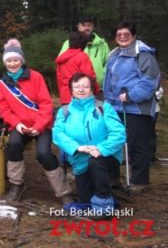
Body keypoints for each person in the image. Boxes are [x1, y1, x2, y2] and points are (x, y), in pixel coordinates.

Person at [0, 39, 72, 205]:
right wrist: (17, 124)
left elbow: (46, 104)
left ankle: (63, 192)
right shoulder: (3, 84)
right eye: (9, 60)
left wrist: (38, 127)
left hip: (41, 124)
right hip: (19, 125)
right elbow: (4, 109)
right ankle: (16, 185)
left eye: (15, 60)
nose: (12, 63)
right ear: (5, 62)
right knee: (14, 145)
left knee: (44, 154)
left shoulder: (36, 77)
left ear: (22, 60)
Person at [53, 73, 125, 215]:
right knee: (85, 199)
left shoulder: (104, 108)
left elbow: (119, 133)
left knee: (95, 162)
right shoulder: (64, 111)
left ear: (92, 89)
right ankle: (102, 195)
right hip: (80, 159)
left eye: (85, 86)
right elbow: (58, 134)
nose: (81, 89)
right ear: (72, 90)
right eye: (77, 87)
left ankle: (104, 205)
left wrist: (101, 149)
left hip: (106, 157)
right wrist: (77, 147)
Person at [103, 22, 161, 192]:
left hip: (136, 108)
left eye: (126, 34)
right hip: (115, 106)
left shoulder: (143, 55)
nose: (122, 37)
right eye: (119, 34)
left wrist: (131, 95)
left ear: (134, 35)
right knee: (112, 141)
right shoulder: (114, 55)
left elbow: (151, 81)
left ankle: (139, 180)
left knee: (137, 144)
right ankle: (112, 177)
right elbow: (108, 80)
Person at [58, 15, 110, 88]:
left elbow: (108, 64)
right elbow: (61, 64)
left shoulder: (102, 44)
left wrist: (103, 78)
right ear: (79, 27)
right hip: (75, 89)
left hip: (99, 88)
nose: (86, 28)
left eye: (89, 25)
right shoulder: (68, 43)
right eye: (83, 25)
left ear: (93, 26)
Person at [55, 31, 98, 105]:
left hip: (65, 97)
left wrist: (62, 95)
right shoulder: (82, 56)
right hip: (81, 96)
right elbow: (89, 77)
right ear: (84, 44)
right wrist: (96, 90)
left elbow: (59, 80)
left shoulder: (61, 58)